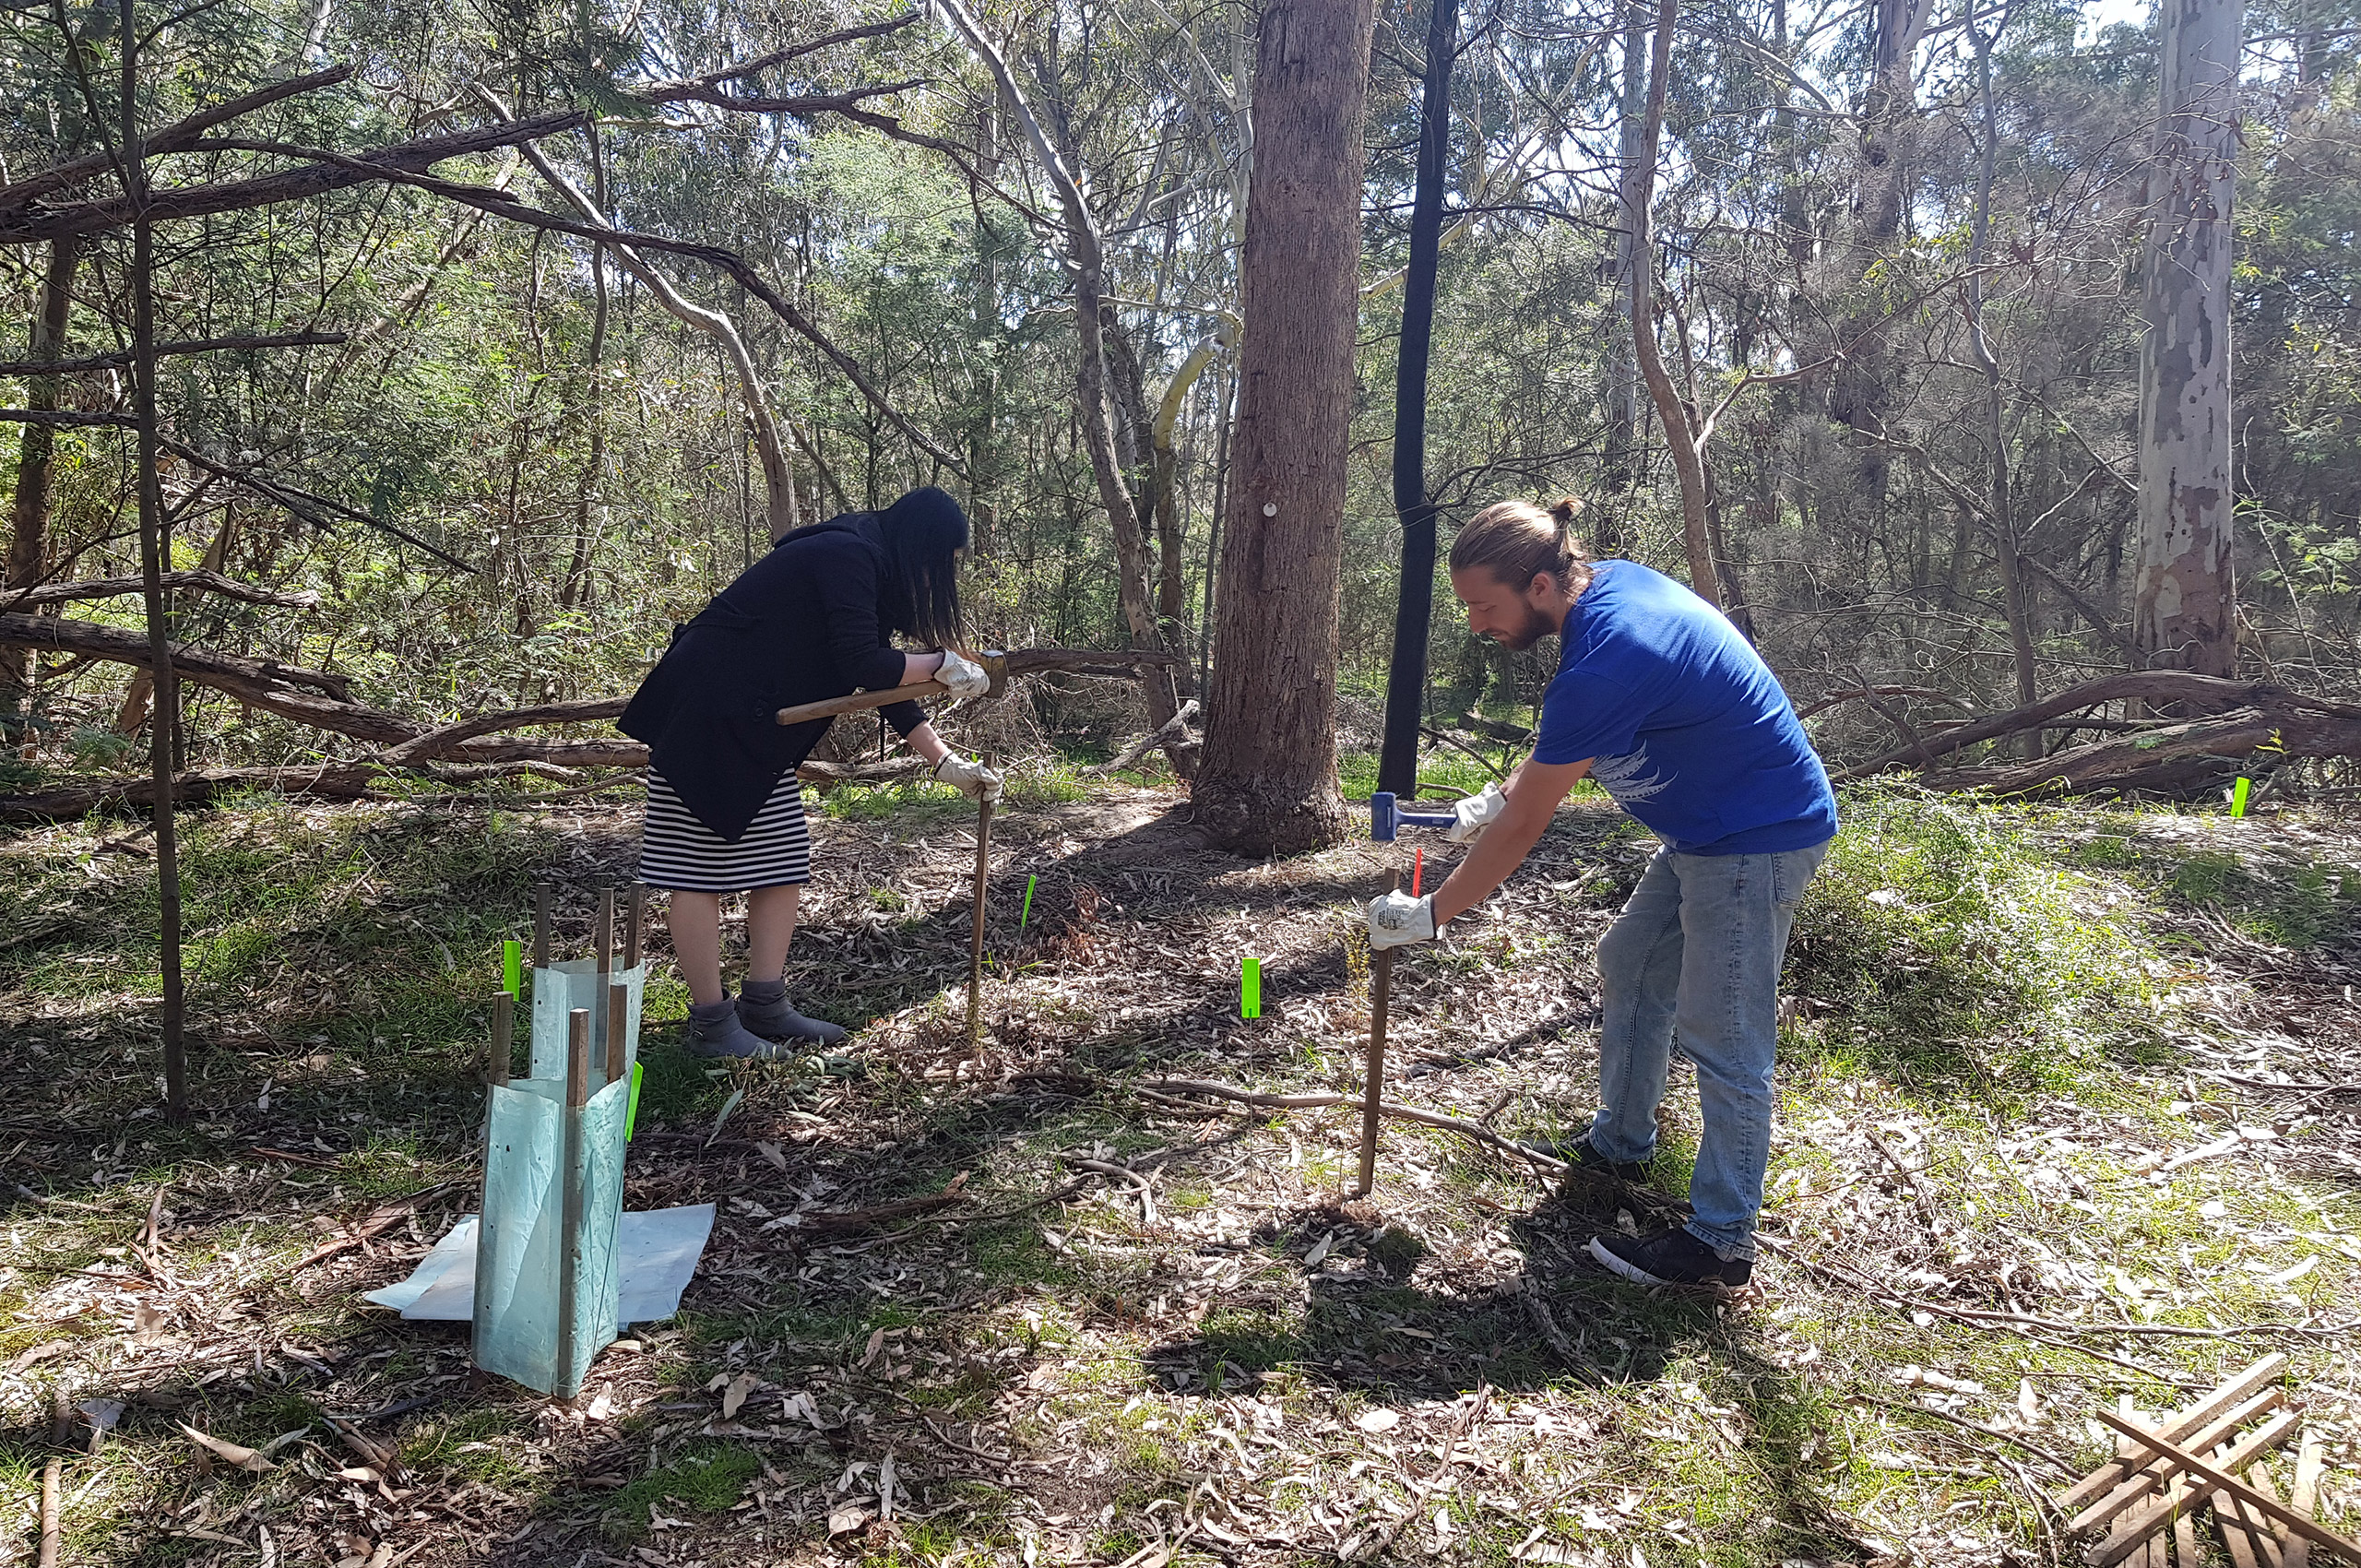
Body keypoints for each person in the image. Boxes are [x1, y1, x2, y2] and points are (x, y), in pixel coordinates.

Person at [1366, 497, 1836, 1290]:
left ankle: (1720, 1247)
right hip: (1703, 832)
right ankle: (1620, 1144)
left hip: (1756, 839)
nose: (1478, 625)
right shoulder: (1603, 595)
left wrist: (1432, 913)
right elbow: (1555, 763)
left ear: (1543, 584)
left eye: (1485, 606)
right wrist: (1488, 804)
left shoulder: (1612, 654)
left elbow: (1524, 832)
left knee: (1724, 1034)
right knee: (1632, 963)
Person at [619, 486, 1003, 1059]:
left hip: (757, 731)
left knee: (781, 859)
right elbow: (865, 663)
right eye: (936, 564)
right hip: (701, 717)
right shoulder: (843, 554)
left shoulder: (866, 561)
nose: (931, 581)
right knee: (696, 871)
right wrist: (942, 664)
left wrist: (943, 761)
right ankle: (712, 1027)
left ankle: (765, 1007)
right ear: (918, 544)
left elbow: (881, 683)